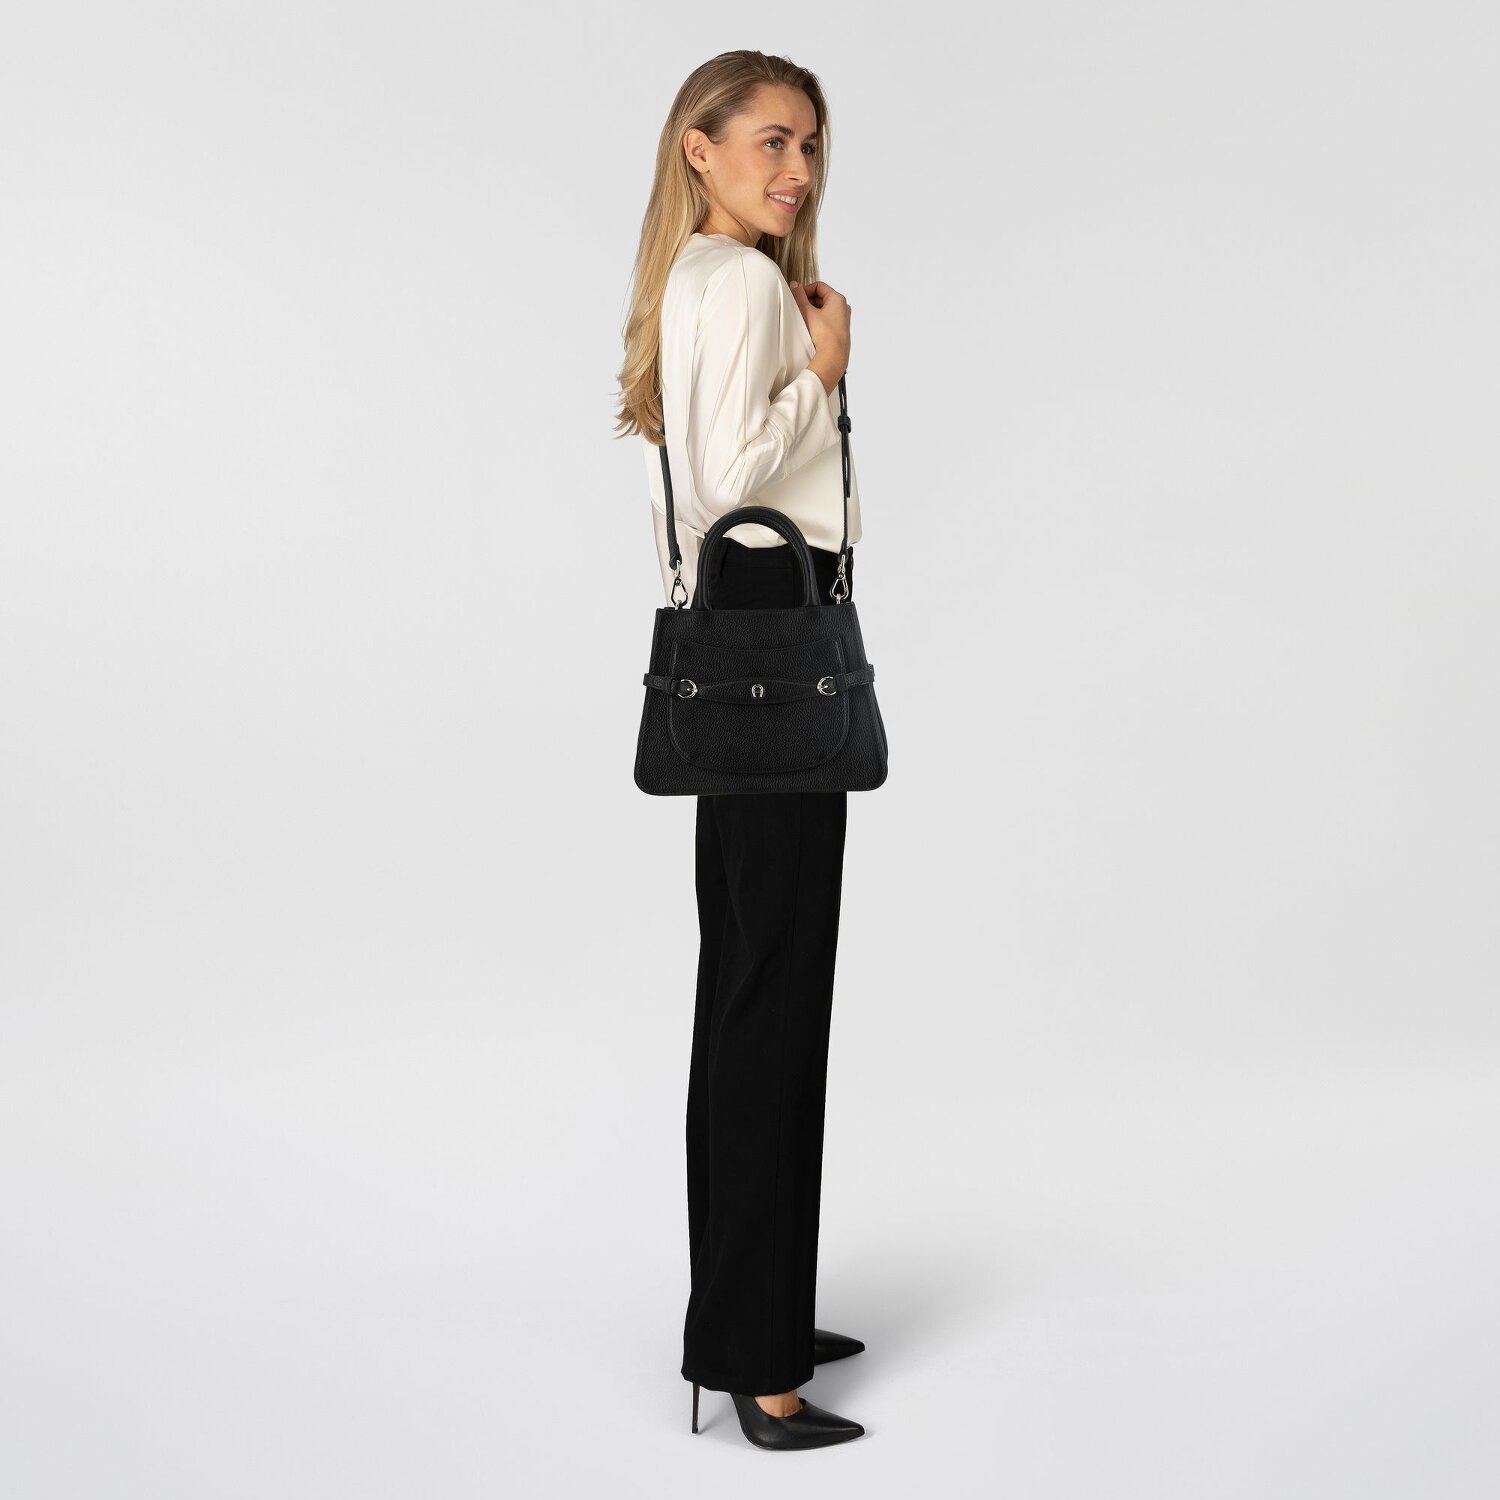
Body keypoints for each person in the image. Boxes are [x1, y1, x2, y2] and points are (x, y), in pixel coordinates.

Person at [613, 52, 871, 1452]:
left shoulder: (703, 279)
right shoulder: (743, 286)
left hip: (743, 637)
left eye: (810, 146)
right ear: (698, 150)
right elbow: (727, 484)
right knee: (773, 993)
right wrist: (821, 380)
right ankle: (760, 1362)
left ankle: (749, 1307)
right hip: (773, 621)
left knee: (751, 982)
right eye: (771, 141)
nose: (798, 170)